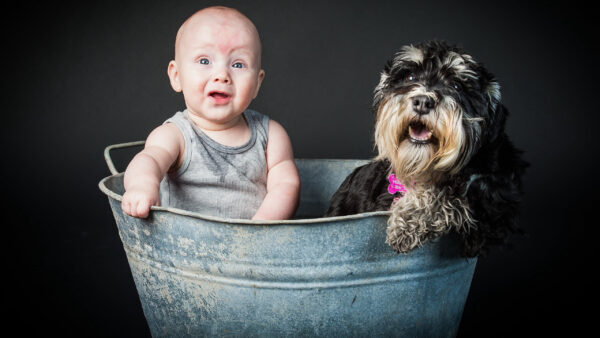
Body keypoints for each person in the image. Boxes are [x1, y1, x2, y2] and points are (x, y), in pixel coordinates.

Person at [121, 6, 300, 220]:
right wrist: (142, 186)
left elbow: (286, 186)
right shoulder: (175, 134)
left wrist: (258, 231)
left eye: (238, 64)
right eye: (204, 61)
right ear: (176, 75)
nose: (222, 75)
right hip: (184, 246)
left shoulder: (271, 135)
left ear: (256, 83)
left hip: (255, 247)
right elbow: (149, 160)